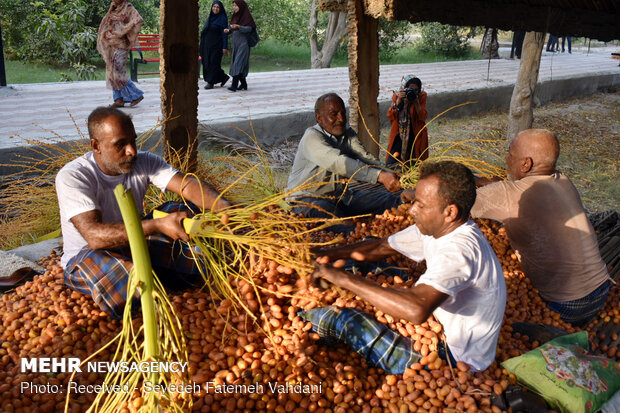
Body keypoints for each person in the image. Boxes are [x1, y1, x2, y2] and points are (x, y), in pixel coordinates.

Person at [306, 161, 506, 373]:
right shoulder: (438, 228)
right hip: (436, 323)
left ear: (450, 212)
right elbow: (380, 247)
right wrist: (321, 255)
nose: (411, 210)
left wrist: (343, 279)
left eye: (421, 205)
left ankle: (303, 317)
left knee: (344, 318)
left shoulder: (458, 251)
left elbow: (417, 310)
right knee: (368, 254)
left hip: (450, 359)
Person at [55, 107, 231, 319]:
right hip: (87, 255)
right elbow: (93, 236)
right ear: (96, 146)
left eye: (133, 141)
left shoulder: (143, 161)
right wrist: (156, 226)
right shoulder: (73, 176)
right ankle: (166, 282)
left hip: (134, 242)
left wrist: (225, 207)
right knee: (129, 281)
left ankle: (176, 273)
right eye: (120, 144)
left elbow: (187, 186)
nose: (132, 151)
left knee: (180, 212)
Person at [471, 129, 610, 327]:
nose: (506, 158)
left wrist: (411, 194)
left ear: (525, 164)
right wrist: (485, 183)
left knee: (502, 322)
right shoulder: (561, 180)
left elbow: (450, 201)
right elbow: (500, 189)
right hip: (600, 291)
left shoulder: (511, 194)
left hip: (566, 306)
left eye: (510, 154)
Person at [286, 93, 402, 221]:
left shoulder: (347, 133)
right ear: (319, 118)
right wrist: (380, 176)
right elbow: (340, 162)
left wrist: (393, 174)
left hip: (340, 197)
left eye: (343, 113)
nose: (341, 119)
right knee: (339, 221)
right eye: (334, 114)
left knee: (390, 201)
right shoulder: (312, 137)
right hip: (307, 199)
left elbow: (366, 158)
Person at [97, 0, 145, 108]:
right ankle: (118, 99)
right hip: (112, 43)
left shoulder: (128, 7)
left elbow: (138, 20)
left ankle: (137, 94)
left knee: (118, 72)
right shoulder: (113, 7)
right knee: (111, 71)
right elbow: (107, 23)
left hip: (122, 44)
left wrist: (124, 30)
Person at [386, 75, 429, 165]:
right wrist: (398, 100)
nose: (412, 92)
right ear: (404, 88)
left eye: (415, 90)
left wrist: (416, 102)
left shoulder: (421, 96)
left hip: (415, 133)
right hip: (399, 133)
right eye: (410, 89)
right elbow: (390, 115)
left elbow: (423, 117)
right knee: (393, 162)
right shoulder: (397, 95)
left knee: (415, 162)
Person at [224, 0, 256, 92]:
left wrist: (239, 27)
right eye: (234, 5)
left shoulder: (247, 17)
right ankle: (244, 84)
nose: (234, 7)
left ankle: (234, 85)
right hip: (236, 45)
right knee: (238, 64)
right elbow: (232, 28)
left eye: (236, 6)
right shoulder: (235, 16)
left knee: (237, 64)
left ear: (241, 7)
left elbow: (249, 29)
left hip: (243, 45)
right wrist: (228, 31)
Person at [199, 1, 230, 90]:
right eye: (214, 6)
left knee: (213, 63)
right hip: (207, 46)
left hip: (217, 45)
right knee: (207, 62)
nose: (215, 9)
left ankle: (211, 82)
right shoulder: (211, 17)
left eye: (217, 7)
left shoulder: (222, 18)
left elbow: (224, 34)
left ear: (220, 9)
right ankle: (223, 77)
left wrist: (225, 47)